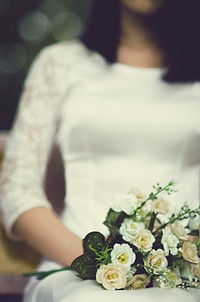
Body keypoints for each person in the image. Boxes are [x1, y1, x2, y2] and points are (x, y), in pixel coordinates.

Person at [0, 0, 200, 301]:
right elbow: (16, 189)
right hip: (73, 266)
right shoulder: (60, 63)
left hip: (184, 275)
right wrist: (97, 263)